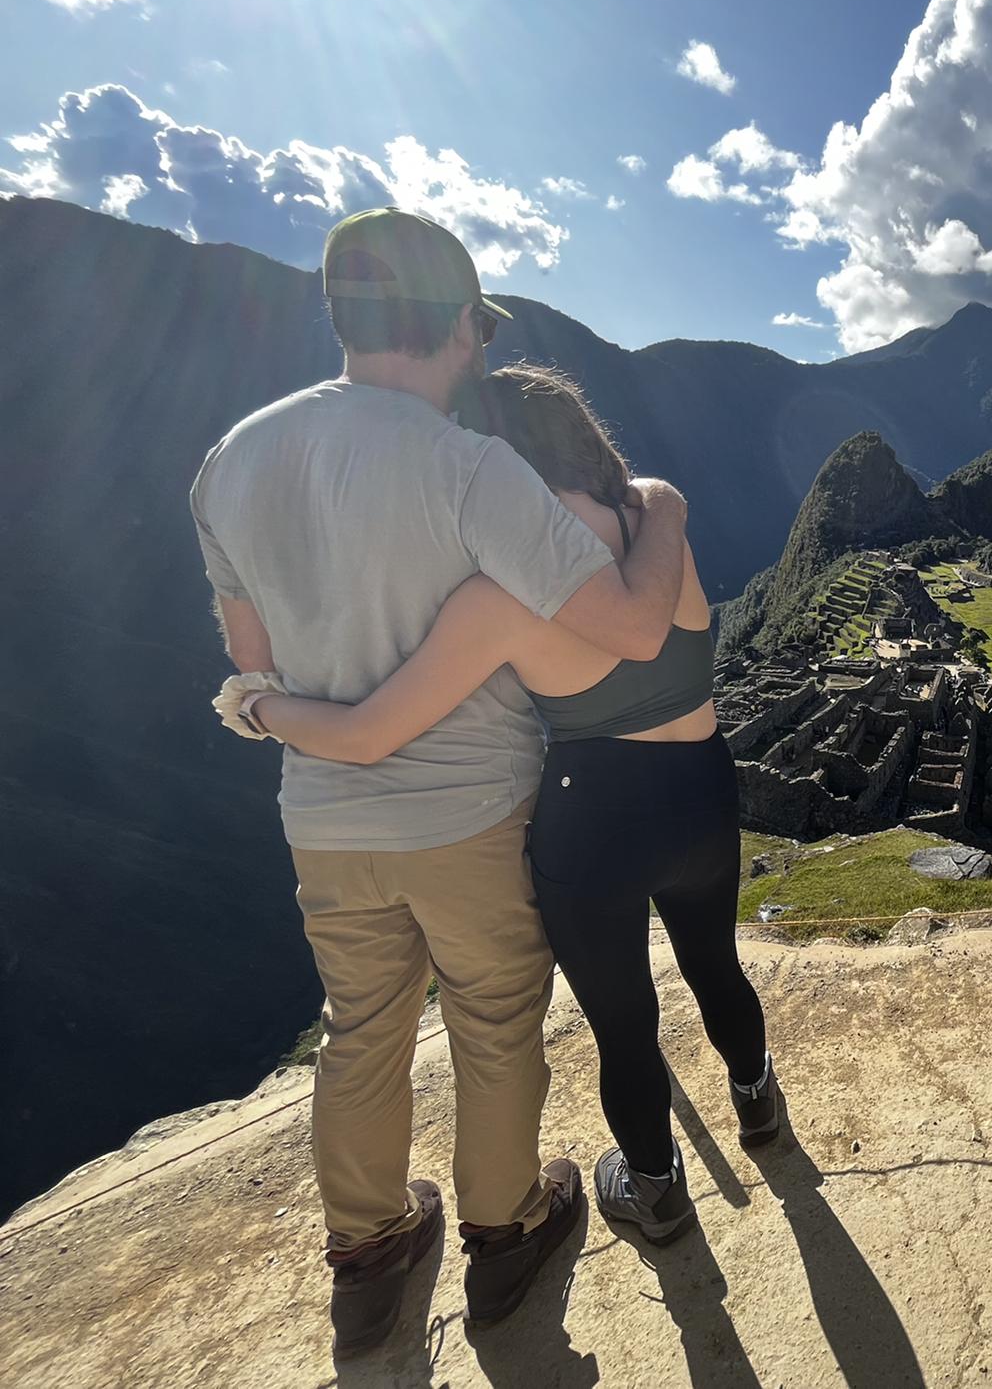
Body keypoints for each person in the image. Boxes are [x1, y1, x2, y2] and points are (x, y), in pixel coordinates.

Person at [190, 209, 692, 1358]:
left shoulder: (232, 459)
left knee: (358, 1031)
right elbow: (622, 625)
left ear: (342, 316)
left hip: (321, 814)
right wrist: (660, 512)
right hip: (470, 811)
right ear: (463, 325)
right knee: (495, 1024)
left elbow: (248, 658)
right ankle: (505, 1234)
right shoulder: (472, 467)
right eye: (477, 331)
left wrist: (291, 715)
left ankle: (369, 1254)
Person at [214, 364, 782, 1261]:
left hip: (596, 822)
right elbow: (652, 545)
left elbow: (368, 733)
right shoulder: (653, 525)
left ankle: (658, 1191)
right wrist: (660, 501)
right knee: (717, 967)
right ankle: (759, 1105)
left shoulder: (495, 595)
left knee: (625, 1022)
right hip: (706, 791)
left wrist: (256, 705)